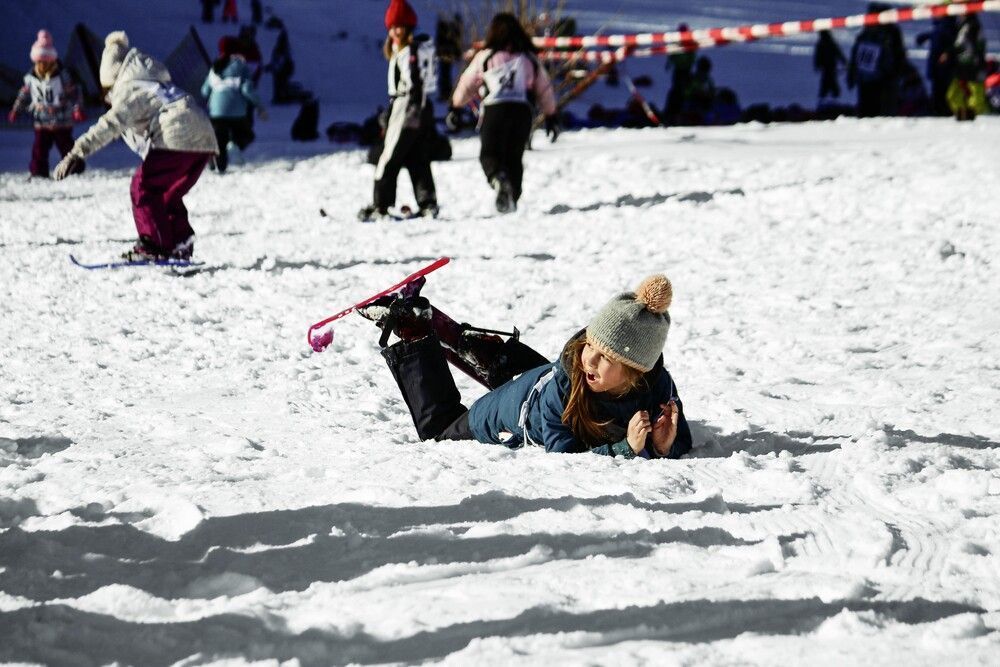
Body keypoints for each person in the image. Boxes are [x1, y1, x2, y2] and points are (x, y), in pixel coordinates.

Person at [360, 274, 693, 459]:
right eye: (589, 345)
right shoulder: (563, 390)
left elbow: (681, 438)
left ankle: (496, 357)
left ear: (638, 372)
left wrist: (665, 445)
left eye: (605, 357)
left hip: (537, 379)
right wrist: (627, 449)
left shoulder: (659, 384)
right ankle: (414, 333)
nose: (589, 357)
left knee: (543, 376)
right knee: (438, 428)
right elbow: (564, 454)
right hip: (508, 411)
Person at [52, 31, 218, 261]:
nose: (109, 99)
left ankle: (154, 246)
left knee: (144, 186)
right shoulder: (155, 84)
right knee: (166, 193)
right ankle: (180, 242)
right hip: (203, 137)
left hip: (177, 135)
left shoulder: (130, 89)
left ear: (114, 80)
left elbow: (110, 124)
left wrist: (77, 152)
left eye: (107, 91)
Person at [448, 13, 558, 214]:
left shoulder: (486, 57)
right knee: (514, 157)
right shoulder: (528, 58)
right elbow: (544, 89)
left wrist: (455, 106)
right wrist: (551, 116)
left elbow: (467, 83)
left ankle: (498, 179)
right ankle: (512, 197)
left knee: (490, 154)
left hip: (495, 111)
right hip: (522, 112)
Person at [358, 0, 439, 221]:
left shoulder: (409, 52)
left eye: (400, 26)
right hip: (419, 108)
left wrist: (400, 110)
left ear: (409, 27)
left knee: (389, 157)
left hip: (408, 108)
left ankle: (381, 205)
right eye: (392, 27)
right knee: (416, 157)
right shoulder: (408, 50)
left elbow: (412, 84)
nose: (395, 31)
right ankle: (428, 202)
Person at [8, 30, 86, 179]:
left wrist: (77, 108)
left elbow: (74, 93)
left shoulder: (62, 76)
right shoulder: (31, 78)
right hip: (41, 121)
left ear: (52, 60)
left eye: (46, 61)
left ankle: (75, 168)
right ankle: (38, 172)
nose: (42, 65)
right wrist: (16, 110)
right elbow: (23, 94)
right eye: (39, 61)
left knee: (66, 147)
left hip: (62, 120)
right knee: (39, 149)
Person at [201, 36, 266, 173]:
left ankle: (218, 163)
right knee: (246, 135)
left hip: (216, 113)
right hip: (237, 113)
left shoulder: (214, 68)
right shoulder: (241, 65)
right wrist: (259, 106)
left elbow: (204, 91)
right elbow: (247, 89)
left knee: (220, 141)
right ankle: (234, 144)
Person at [846, 3, 907, 117]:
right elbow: (857, 53)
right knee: (868, 110)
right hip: (868, 79)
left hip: (883, 79)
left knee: (882, 112)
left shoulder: (891, 33)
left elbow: (899, 54)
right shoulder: (865, 34)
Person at [947, 13, 988, 121]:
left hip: (973, 65)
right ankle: (962, 114)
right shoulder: (961, 25)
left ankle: (977, 116)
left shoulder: (973, 25)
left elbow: (977, 46)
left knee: (977, 92)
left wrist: (977, 61)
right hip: (961, 65)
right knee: (953, 93)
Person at [916, 16, 957, 116]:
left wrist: (948, 53)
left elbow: (956, 43)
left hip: (944, 66)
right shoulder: (940, 27)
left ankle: (943, 111)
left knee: (943, 90)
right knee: (938, 89)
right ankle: (938, 110)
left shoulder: (949, 27)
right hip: (936, 64)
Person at [663, 24, 695, 125]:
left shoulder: (690, 44)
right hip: (679, 72)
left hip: (685, 71)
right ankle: (673, 115)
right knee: (677, 92)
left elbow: (692, 57)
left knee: (683, 93)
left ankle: (679, 115)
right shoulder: (677, 44)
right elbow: (671, 55)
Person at [813, 30, 846, 102]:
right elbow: (839, 54)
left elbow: (817, 57)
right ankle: (833, 98)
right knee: (830, 84)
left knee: (827, 84)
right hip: (830, 67)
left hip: (827, 68)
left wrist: (817, 65)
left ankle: (826, 99)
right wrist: (845, 63)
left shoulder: (821, 44)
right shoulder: (831, 43)